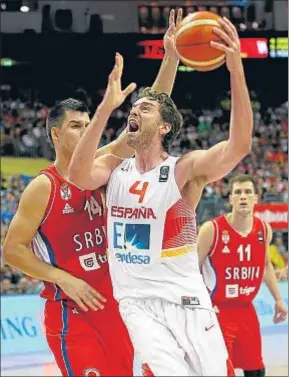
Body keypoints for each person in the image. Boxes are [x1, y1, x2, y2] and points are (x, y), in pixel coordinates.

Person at [2, 9, 183, 376]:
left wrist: (171, 57)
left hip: (116, 306)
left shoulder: (101, 166)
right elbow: (11, 250)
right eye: (74, 126)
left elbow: (148, 118)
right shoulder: (43, 187)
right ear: (55, 134)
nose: (84, 130)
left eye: (87, 124)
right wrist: (61, 277)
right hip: (72, 312)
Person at [68, 17, 253, 376]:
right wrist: (106, 106)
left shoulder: (184, 170)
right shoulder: (112, 168)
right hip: (137, 305)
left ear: (165, 126)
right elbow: (77, 174)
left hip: (187, 302)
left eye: (145, 109)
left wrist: (235, 69)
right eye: (133, 108)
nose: (135, 110)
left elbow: (239, 146)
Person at [198, 174, 288, 377]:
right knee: (220, 370)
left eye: (248, 192)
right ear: (230, 199)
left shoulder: (264, 229)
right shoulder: (211, 230)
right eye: (238, 192)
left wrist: (278, 299)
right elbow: (191, 271)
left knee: (255, 369)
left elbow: (265, 265)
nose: (243, 197)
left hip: (247, 310)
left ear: (256, 198)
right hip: (217, 311)